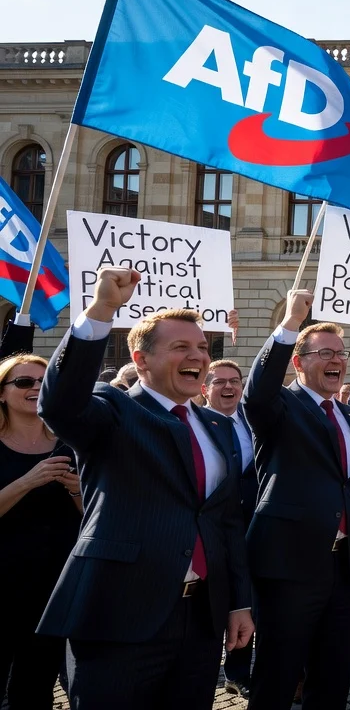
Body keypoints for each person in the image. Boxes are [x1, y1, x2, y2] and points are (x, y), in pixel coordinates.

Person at [37, 267, 253, 708]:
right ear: (141, 360)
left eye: (201, 347)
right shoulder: (114, 408)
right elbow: (60, 403)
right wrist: (100, 311)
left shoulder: (217, 426)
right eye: (180, 347)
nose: (199, 356)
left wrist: (237, 602)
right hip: (120, 613)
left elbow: (225, 523)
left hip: (199, 621)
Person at [242, 289, 350, 710]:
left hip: (343, 565)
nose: (337, 360)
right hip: (288, 563)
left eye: (341, 353)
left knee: (334, 670)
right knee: (278, 673)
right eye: (324, 352)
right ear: (298, 362)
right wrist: (289, 324)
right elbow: (258, 394)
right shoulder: (280, 407)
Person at [0, 353, 80, 709]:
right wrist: (27, 482)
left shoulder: (72, 443)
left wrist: (78, 491)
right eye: (23, 382)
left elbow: (95, 516)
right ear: (2, 392)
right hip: (3, 583)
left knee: (35, 687)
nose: (34, 388)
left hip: (53, 586)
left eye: (41, 381)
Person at [203, 359, 259, 699]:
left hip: (253, 523)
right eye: (219, 381)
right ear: (204, 388)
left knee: (247, 598)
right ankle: (219, 669)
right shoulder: (197, 424)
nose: (228, 387)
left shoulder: (252, 422)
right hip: (213, 528)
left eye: (234, 380)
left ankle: (239, 670)